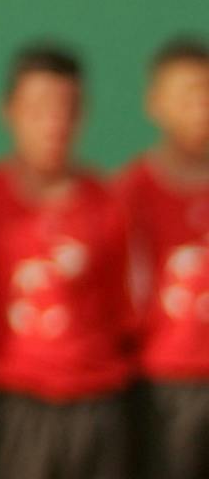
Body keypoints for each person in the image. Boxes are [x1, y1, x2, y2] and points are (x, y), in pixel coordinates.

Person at [0, 46, 138, 477]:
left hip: (95, 406)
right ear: (10, 110)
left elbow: (123, 312)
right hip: (13, 404)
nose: (54, 124)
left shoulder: (109, 203)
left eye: (67, 109)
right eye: (38, 109)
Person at [118, 36, 209, 475]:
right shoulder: (132, 190)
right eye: (188, 94)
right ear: (156, 103)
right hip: (164, 383)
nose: (200, 107)